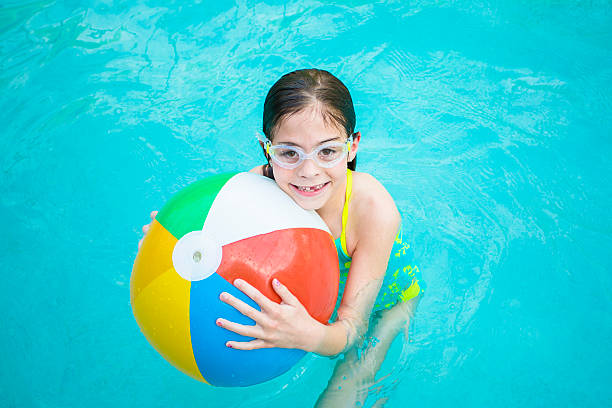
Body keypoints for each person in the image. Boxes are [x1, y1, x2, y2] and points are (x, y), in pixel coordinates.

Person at [140, 69, 424, 406]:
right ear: (267, 149)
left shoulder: (372, 210)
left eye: (327, 152)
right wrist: (174, 245)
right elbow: (210, 238)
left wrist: (311, 334)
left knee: (347, 383)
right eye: (289, 153)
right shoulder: (254, 190)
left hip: (382, 304)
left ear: (352, 147)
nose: (308, 171)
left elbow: (352, 330)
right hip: (309, 294)